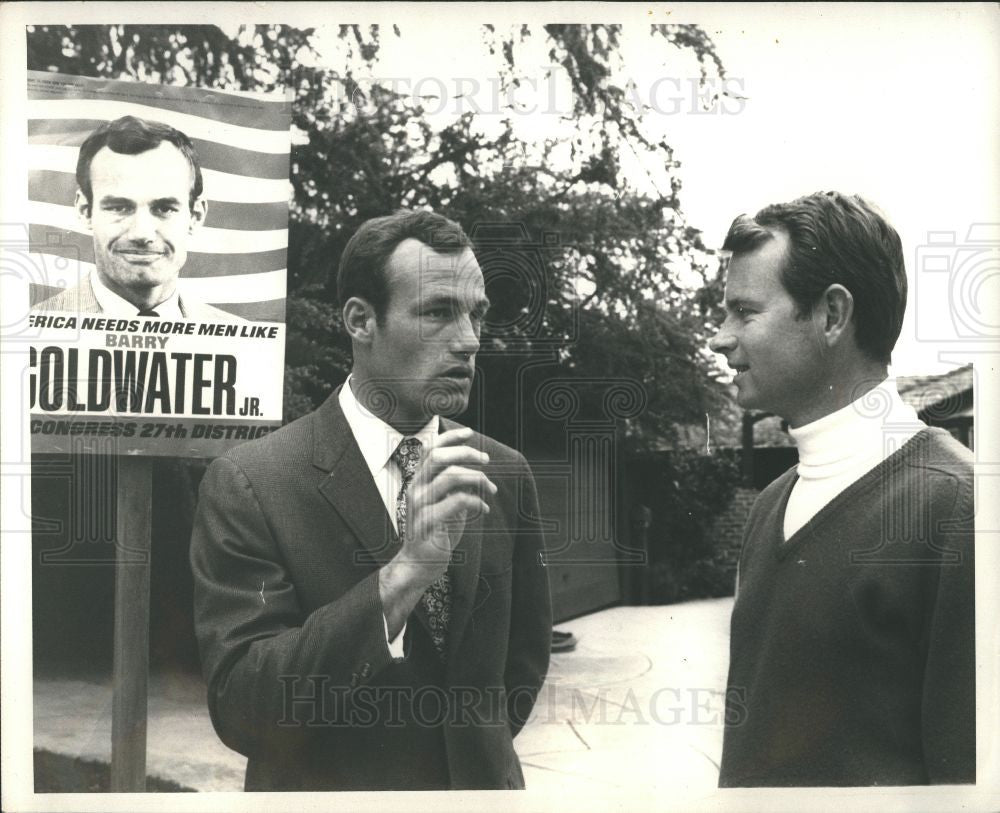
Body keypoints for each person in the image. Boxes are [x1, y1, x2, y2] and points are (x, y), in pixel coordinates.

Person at [190, 210, 552, 791]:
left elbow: (521, 668)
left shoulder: (503, 473)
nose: (468, 340)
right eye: (438, 312)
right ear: (361, 320)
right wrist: (404, 575)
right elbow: (243, 707)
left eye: (476, 314)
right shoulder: (251, 482)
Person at [709, 192, 975, 787]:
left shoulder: (958, 509)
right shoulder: (770, 505)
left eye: (745, 313)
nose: (720, 338)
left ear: (832, 316)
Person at [33, 115, 241, 320]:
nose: (141, 233)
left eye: (165, 208)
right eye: (119, 208)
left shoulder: (242, 343)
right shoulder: (29, 332)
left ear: (195, 216)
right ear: (85, 210)